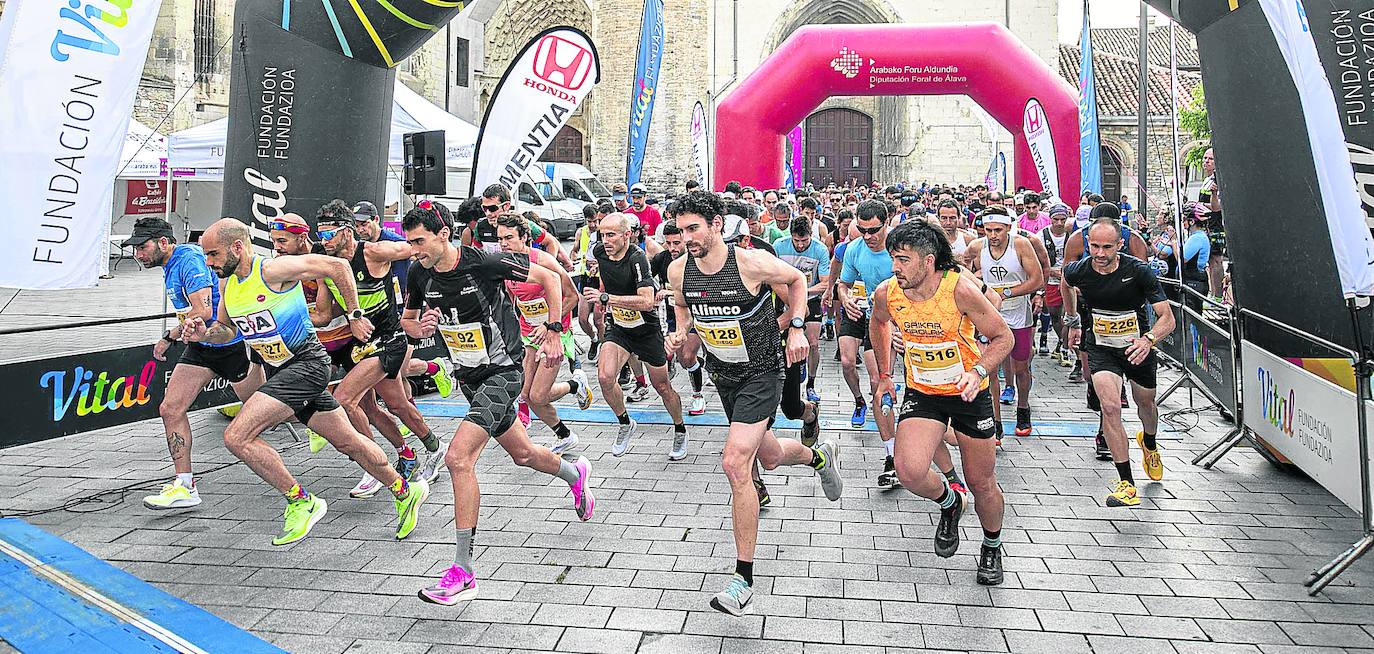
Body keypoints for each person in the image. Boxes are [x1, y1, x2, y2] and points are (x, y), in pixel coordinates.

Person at [183, 219, 429, 544]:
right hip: (284, 371)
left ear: (237, 247)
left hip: (307, 365)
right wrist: (206, 334)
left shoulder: (272, 270)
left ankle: (301, 501)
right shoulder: (229, 286)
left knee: (237, 436)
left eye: (213, 255)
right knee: (348, 442)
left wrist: (355, 315)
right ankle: (404, 489)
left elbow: (338, 266)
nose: (210, 263)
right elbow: (227, 330)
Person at [400, 206, 594, 605]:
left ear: (443, 235)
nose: (413, 249)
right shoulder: (420, 272)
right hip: (468, 378)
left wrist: (555, 329)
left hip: (504, 374)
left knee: (458, 459)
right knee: (522, 454)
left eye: (419, 241)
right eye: (409, 242)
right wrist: (420, 328)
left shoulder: (484, 262)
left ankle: (463, 571)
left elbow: (551, 279)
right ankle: (575, 474)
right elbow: (409, 320)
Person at [666, 191, 842, 615]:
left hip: (763, 372)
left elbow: (798, 282)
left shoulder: (749, 263)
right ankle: (820, 457)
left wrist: (797, 327)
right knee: (772, 456)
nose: (688, 238)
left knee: (734, 462)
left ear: (716, 226)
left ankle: (742, 579)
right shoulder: (677, 270)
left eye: (695, 228)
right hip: (723, 376)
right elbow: (683, 309)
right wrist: (682, 336)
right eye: (682, 230)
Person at [871, 220, 1013, 585]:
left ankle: (991, 546)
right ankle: (950, 503)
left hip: (967, 394)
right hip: (923, 392)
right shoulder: (888, 293)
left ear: (929, 261)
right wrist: (885, 375)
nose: (895, 268)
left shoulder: (960, 291)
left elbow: (1003, 337)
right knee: (909, 471)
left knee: (982, 483)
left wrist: (978, 372)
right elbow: (879, 324)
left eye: (903, 260)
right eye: (893, 259)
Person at [128, 217, 266, 510]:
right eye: (135, 248)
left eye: (142, 247)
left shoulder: (188, 259)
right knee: (170, 408)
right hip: (201, 347)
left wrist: (170, 335)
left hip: (228, 344)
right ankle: (185, 485)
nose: (138, 254)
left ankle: (321, 416)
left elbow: (203, 310)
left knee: (275, 413)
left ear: (163, 242)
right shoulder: (170, 264)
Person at [315, 202, 449, 495]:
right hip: (361, 346)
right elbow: (324, 314)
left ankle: (374, 467)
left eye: (329, 234)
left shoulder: (372, 252)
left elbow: (415, 250)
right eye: (320, 234)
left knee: (345, 399)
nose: (323, 241)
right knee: (386, 407)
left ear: (347, 232)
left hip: (389, 340)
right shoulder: (326, 266)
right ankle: (424, 450)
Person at [1063, 218, 1175, 507]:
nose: (1099, 254)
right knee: (1110, 408)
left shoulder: (1138, 272)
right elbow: (1065, 281)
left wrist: (1148, 340)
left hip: (1137, 348)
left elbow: (1167, 318)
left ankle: (1149, 443)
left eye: (1107, 247)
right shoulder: (1081, 270)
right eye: (1094, 246)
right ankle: (1126, 483)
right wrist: (1073, 319)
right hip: (1101, 348)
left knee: (1145, 405)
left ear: (1120, 245)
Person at [584, 213, 688, 459]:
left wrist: (608, 299)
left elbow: (647, 301)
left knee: (662, 386)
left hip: (645, 330)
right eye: (602, 235)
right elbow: (604, 278)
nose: (605, 240)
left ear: (627, 235)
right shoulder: (599, 251)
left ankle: (680, 428)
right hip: (618, 327)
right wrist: (601, 292)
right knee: (605, 377)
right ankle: (624, 422)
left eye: (611, 235)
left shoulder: (637, 258)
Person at [495, 214, 593, 452]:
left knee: (538, 396)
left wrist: (550, 326)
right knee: (527, 394)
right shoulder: (504, 263)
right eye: (500, 239)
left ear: (525, 237)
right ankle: (565, 432)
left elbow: (571, 297)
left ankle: (574, 386)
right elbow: (515, 301)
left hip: (555, 333)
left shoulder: (544, 261)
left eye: (509, 238)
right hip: (530, 335)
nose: (504, 243)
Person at [966, 207, 1044, 438]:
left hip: (1019, 314)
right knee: (989, 368)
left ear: (1008, 228)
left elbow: (1037, 279)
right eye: (988, 230)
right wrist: (975, 282)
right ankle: (996, 422)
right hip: (991, 315)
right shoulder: (978, 246)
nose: (993, 235)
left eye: (998, 230)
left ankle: (1023, 407)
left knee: (1020, 367)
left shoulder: (1020, 245)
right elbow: (962, 264)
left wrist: (1006, 292)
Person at [839, 200, 899, 485]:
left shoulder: (900, 249)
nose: (868, 236)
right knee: (860, 370)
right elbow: (844, 283)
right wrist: (845, 298)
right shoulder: (854, 248)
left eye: (874, 230)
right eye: (862, 230)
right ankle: (890, 453)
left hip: (895, 319)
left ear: (886, 223)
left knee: (882, 382)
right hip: (867, 313)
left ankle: (895, 454)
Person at [652, 221, 708, 415]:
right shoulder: (661, 259)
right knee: (682, 360)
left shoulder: (697, 260)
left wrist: (669, 294)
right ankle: (702, 366)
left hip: (696, 315)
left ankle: (697, 395)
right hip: (671, 318)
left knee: (687, 356)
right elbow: (647, 283)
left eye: (676, 243)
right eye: (668, 243)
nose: (672, 248)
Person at [773, 217, 831, 403]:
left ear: (811, 236)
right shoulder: (779, 246)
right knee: (780, 339)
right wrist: (790, 296)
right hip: (784, 299)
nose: (799, 245)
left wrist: (801, 293)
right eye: (796, 240)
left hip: (810, 299)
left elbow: (825, 283)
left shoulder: (819, 249)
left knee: (813, 342)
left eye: (804, 241)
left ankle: (811, 385)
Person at [1039, 203, 1074, 365]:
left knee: (1070, 315)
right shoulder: (1041, 236)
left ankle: (1066, 346)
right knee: (1054, 315)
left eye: (1063, 219)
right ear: (1050, 219)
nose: (1059, 223)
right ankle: (1062, 341)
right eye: (1056, 219)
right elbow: (1038, 261)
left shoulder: (1073, 235)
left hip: (1069, 281)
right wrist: (1053, 272)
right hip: (1051, 281)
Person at [1197, 148, 1226, 299]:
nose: (1206, 161)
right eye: (1205, 158)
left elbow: (1217, 207)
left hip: (1216, 226)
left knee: (1216, 259)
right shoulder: (1207, 180)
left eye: (1210, 159)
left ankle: (1218, 296)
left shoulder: (1218, 180)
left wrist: (1198, 206)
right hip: (1206, 224)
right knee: (1209, 260)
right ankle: (1212, 293)